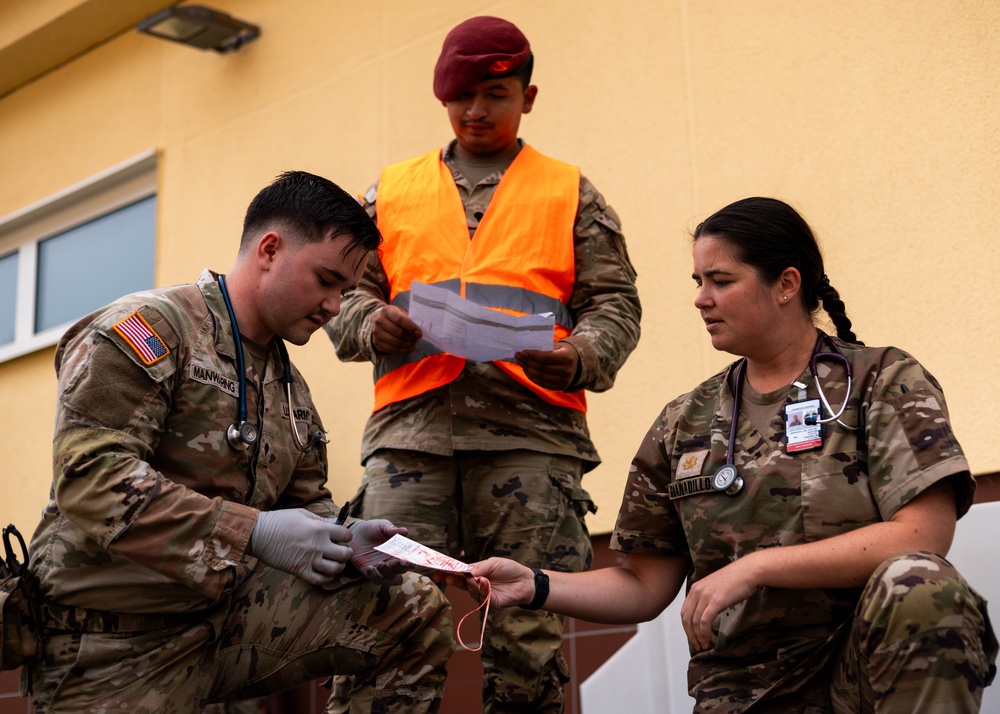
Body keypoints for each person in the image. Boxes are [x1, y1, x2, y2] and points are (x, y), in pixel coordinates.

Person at [444, 197, 998, 713]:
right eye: (698, 281)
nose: (700, 298)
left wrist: (756, 569)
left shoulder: (880, 380)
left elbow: (922, 536)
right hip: (746, 691)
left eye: (721, 280)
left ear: (786, 284)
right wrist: (536, 583)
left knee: (921, 585)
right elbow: (642, 584)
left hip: (866, 675)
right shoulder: (685, 419)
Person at [23, 171, 455, 713]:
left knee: (410, 609)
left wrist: (345, 542)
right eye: (325, 280)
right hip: (111, 642)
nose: (333, 307)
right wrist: (255, 532)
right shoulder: (152, 329)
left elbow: (305, 507)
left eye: (345, 291)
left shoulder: (289, 385)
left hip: (225, 624)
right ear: (270, 249)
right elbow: (90, 478)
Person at [324, 15, 641, 713]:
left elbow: (615, 304)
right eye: (462, 95)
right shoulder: (389, 192)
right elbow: (340, 291)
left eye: (495, 93)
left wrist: (579, 355)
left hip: (530, 439)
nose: (475, 110)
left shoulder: (571, 192)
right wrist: (368, 322)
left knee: (525, 640)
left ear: (528, 97)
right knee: (385, 623)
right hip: (410, 440)